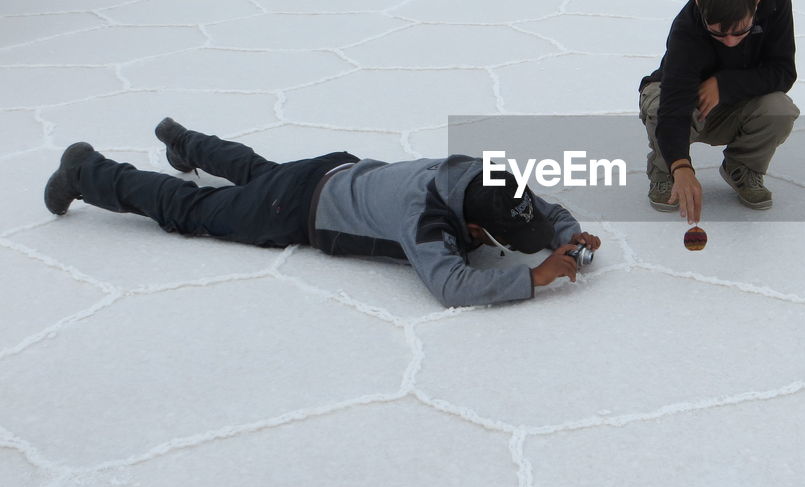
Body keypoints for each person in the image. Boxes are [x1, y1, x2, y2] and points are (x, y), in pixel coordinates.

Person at [42, 118, 601, 308]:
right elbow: (451, 285)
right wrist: (532, 277)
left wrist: (569, 234)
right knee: (194, 209)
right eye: (499, 237)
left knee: (261, 172)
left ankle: (186, 142)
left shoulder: (478, 175)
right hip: (299, 209)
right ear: (473, 227)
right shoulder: (425, 217)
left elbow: (537, 207)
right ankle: (86, 171)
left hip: (332, 171)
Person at [639, 0, 799, 224]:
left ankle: (742, 167)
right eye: (718, 34)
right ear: (701, 7)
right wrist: (681, 165)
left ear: (757, 3)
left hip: (736, 101)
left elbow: (783, 72)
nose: (731, 42)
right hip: (686, 104)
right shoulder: (685, 29)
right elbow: (673, 106)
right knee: (657, 106)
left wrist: (724, 85)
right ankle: (664, 170)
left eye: (741, 31)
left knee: (780, 110)